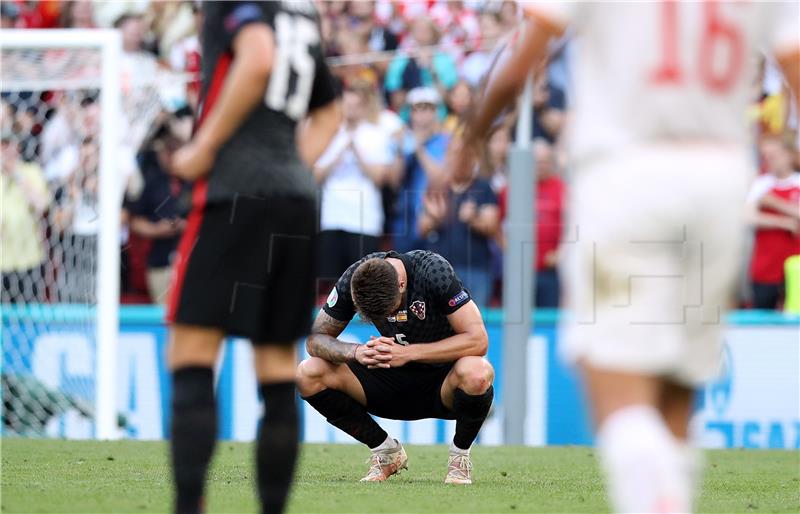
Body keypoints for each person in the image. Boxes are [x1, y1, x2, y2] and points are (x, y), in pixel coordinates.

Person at [460, 3, 799, 513]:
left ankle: (653, 499)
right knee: (677, 387)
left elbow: (527, 50)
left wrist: (470, 136)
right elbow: (793, 63)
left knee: (615, 381)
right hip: (721, 178)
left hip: (627, 169)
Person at [167, 2, 341, 513]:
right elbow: (329, 112)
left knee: (192, 353)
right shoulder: (301, 12)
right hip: (294, 201)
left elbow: (259, 57)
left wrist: (204, 146)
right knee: (275, 367)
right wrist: (288, 168)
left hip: (232, 195)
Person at [296, 250, 494, 484]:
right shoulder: (355, 279)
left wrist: (408, 353)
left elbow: (478, 340)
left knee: (478, 371)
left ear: (401, 284)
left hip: (442, 384)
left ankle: (459, 458)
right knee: (307, 373)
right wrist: (357, 352)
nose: (390, 318)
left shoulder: (433, 271)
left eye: (391, 309)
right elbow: (315, 339)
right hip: (388, 380)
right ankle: (386, 452)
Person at [315, 82, 393, 285]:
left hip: (363, 219)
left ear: (365, 106)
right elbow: (316, 175)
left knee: (363, 284)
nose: (350, 109)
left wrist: (356, 151)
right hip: (332, 216)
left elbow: (379, 177)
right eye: (347, 104)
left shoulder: (376, 134)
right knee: (330, 283)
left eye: (355, 105)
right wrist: (338, 155)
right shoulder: (330, 133)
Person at [418, 139, 499, 307]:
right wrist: (435, 219)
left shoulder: (484, 187)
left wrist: (474, 218)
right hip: (440, 271)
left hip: (476, 270)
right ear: (447, 157)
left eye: (466, 155)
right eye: (456, 154)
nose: (461, 160)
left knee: (477, 322)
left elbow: (492, 226)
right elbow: (421, 228)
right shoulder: (438, 187)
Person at [391, 87, 450, 252]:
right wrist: (400, 150)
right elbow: (394, 181)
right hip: (403, 222)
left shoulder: (446, 141)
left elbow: (439, 178)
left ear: (436, 112)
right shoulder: (402, 139)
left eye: (428, 108)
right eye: (417, 109)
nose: (422, 115)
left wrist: (418, 147)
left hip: (433, 221)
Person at [746, 133, 800, 309]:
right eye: (765, 157)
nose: (769, 161)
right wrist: (784, 223)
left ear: (789, 155)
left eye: (773, 155)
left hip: (795, 265)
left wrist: (774, 202)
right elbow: (747, 216)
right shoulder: (761, 184)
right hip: (766, 267)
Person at [0, 132, 51, 303]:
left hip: (30, 261)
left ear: (18, 147)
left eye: (8, 145)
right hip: (2, 261)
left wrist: (17, 175)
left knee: (30, 317)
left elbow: (41, 205)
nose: (5, 150)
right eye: (2, 145)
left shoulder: (31, 172)